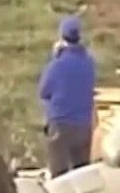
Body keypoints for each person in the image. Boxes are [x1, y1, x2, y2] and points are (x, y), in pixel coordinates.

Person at [38, 15, 96, 176]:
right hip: (84, 125)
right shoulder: (89, 63)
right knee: (81, 173)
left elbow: (44, 91)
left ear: (62, 36)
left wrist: (55, 56)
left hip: (61, 124)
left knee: (59, 175)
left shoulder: (57, 64)